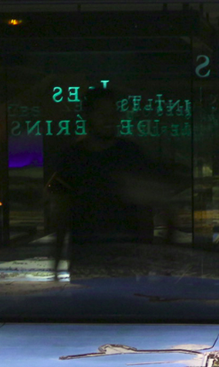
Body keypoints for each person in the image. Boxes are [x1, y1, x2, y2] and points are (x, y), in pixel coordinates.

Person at [47, 87, 156, 279]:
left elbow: (145, 210)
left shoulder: (130, 155)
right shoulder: (72, 158)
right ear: (87, 116)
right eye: (102, 114)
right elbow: (61, 211)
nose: (109, 119)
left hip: (120, 259)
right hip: (89, 258)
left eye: (113, 113)